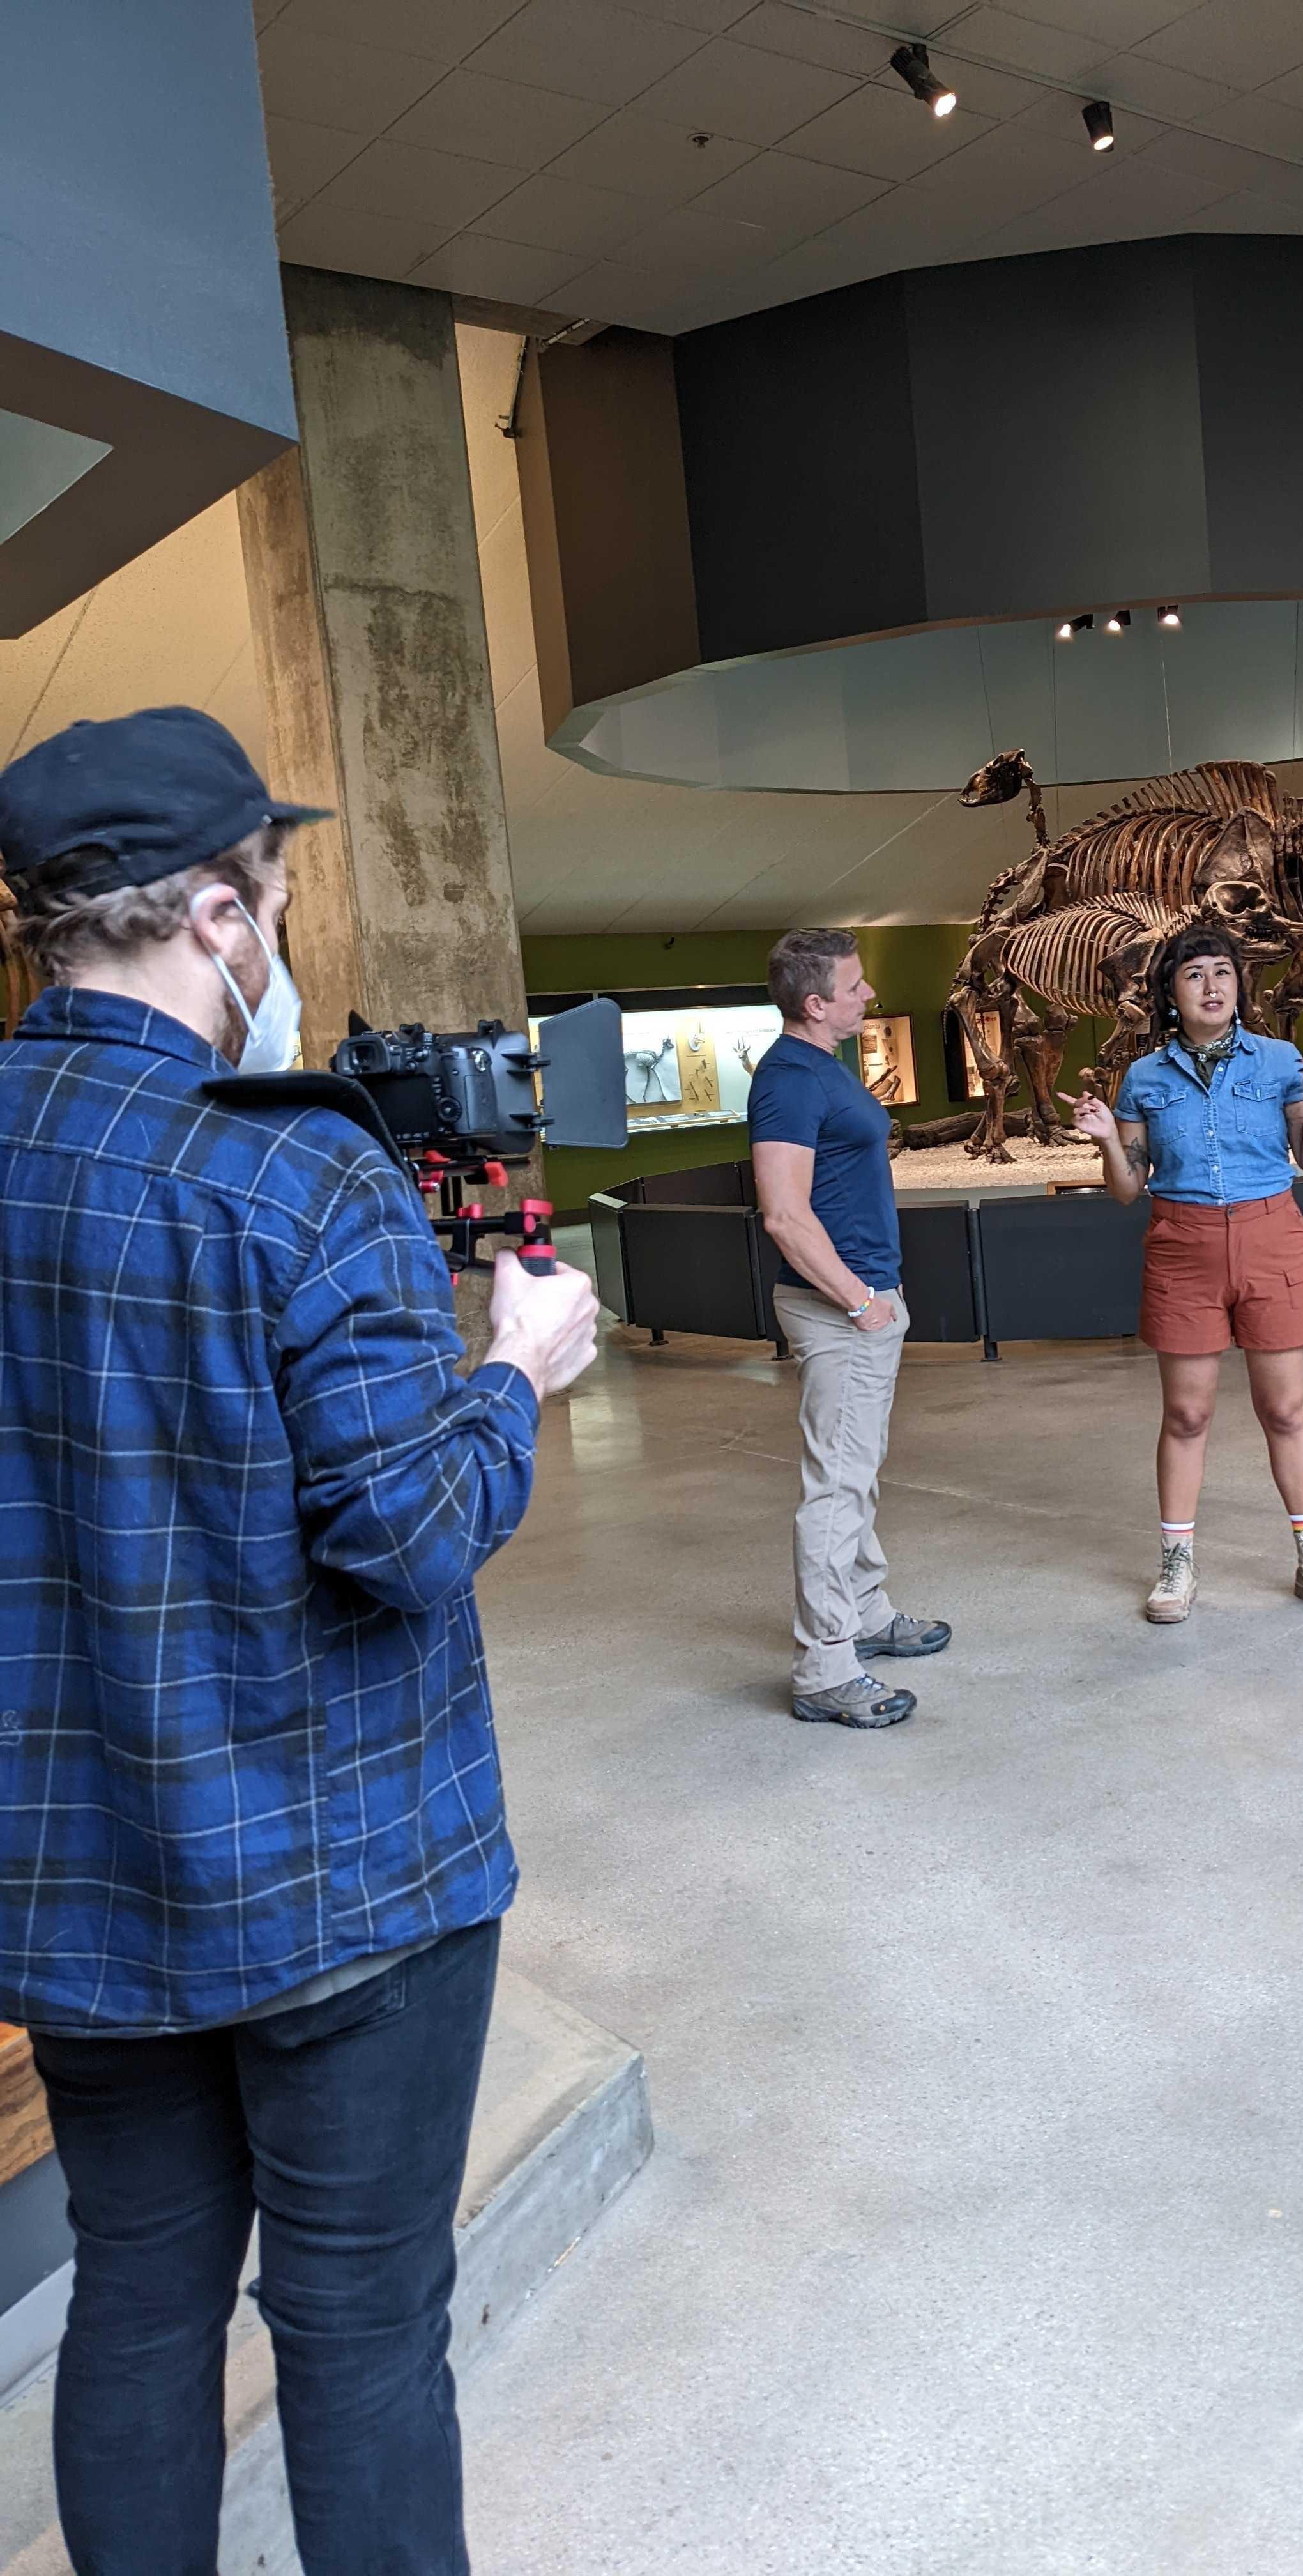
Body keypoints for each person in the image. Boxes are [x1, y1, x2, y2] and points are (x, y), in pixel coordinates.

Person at [0, 707, 600, 2576]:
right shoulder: (296, 1176)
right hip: (352, 1887)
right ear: (210, 911)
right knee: (356, 2345)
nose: (279, 929)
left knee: (138, 2303)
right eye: (271, 890)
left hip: (74, 1897)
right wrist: (513, 1371)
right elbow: (408, 1531)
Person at [1065, 922, 1303, 1626]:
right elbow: (1128, 1188)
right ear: (1171, 993)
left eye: (1222, 973)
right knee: (1187, 1413)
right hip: (1183, 1243)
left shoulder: (1282, 1061)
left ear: (1240, 985)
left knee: (1286, 1410)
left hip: (1272, 1236)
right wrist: (1110, 1140)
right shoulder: (1143, 1077)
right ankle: (1175, 1562)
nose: (1212, 986)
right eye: (1195, 974)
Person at [748, 929, 950, 1727]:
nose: (870, 996)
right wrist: (861, 1302)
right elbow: (785, 1216)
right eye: (858, 986)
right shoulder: (790, 1081)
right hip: (839, 1310)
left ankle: (864, 1615)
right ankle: (825, 1666)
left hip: (863, 1300)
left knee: (856, 1470)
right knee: (834, 1483)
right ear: (815, 1004)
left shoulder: (820, 1069)